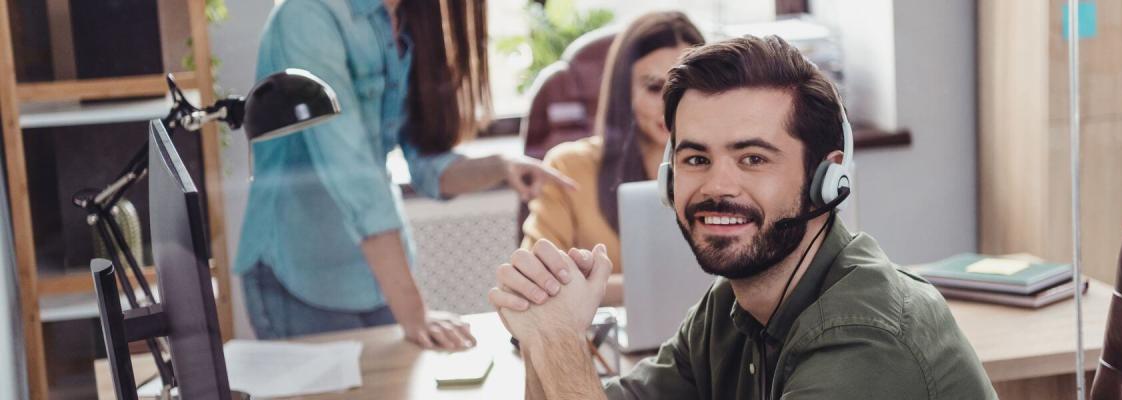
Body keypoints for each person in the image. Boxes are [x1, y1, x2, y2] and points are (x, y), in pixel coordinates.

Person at [488, 36, 997, 399]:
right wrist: (541, 334)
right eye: (695, 159)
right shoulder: (729, 309)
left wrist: (558, 339)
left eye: (753, 158)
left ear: (827, 178)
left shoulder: (864, 341)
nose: (717, 186)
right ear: (669, 179)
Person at [237, 0, 576, 349]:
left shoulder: (408, 17)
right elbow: (355, 176)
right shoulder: (307, 15)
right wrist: (415, 312)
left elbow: (426, 165)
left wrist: (500, 166)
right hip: (301, 274)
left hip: (374, 277)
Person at [521, 12, 704, 305]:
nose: (669, 105)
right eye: (655, 87)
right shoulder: (569, 167)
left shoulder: (721, 170)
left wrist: (597, 288)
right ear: (624, 91)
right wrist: (666, 288)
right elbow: (536, 283)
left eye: (684, 88)